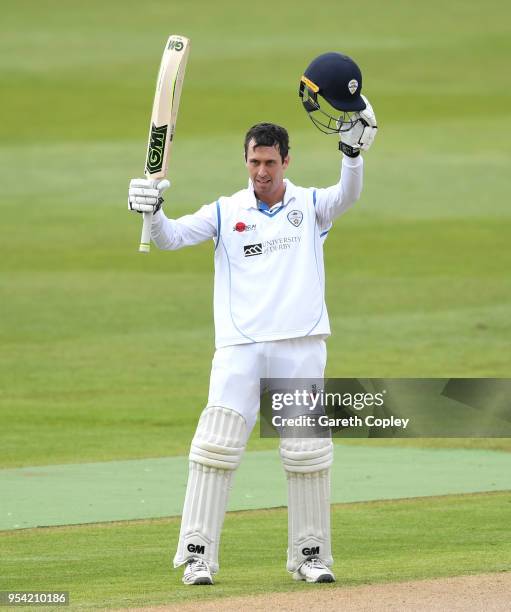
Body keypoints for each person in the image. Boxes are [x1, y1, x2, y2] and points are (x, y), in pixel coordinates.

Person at [128, 101, 377, 585]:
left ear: (287, 161)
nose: (261, 171)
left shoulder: (309, 206)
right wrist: (152, 212)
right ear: (245, 161)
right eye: (254, 161)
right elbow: (171, 237)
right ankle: (198, 555)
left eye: (270, 162)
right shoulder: (225, 212)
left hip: (300, 343)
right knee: (215, 448)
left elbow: (347, 196)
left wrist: (352, 155)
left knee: (306, 453)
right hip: (239, 347)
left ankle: (311, 556)